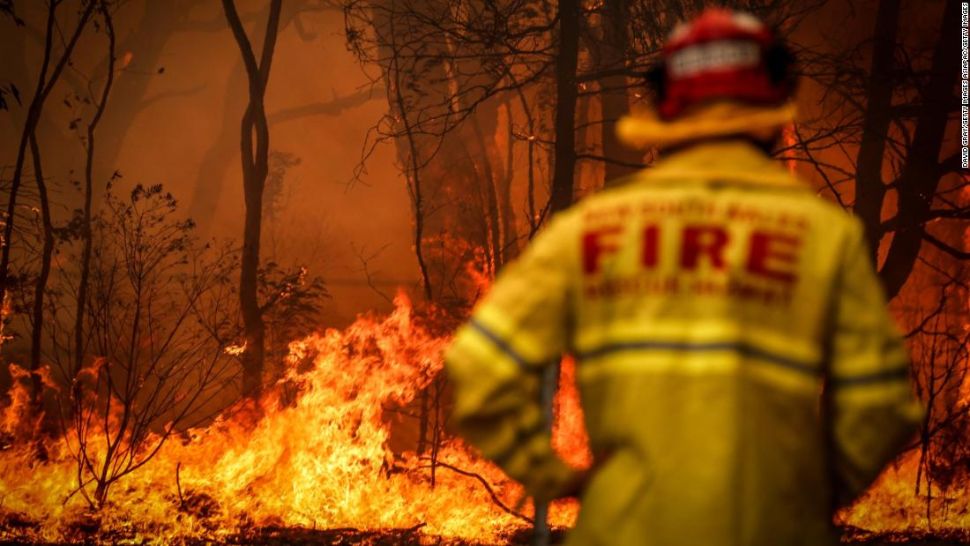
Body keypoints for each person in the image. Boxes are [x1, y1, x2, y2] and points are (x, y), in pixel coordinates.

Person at [443, 8, 923, 546]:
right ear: (769, 116)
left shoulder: (588, 232)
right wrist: (815, 494)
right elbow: (883, 407)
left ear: (667, 117)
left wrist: (557, 477)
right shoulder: (822, 237)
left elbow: (477, 369)